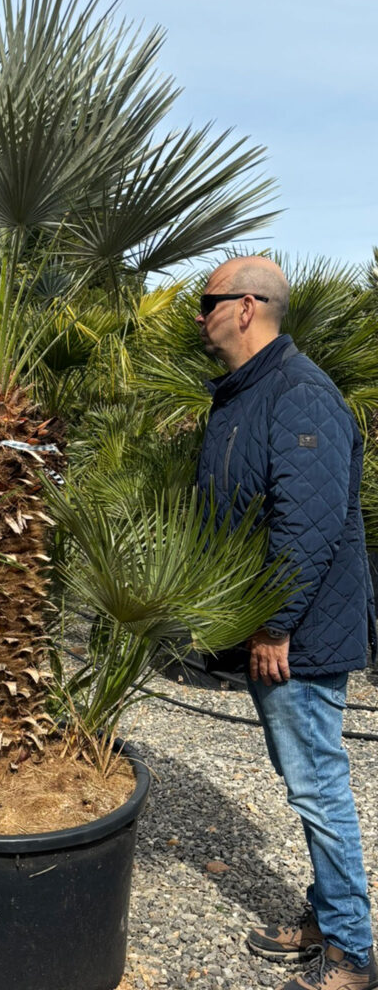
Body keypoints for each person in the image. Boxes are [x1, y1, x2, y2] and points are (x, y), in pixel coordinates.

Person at [195, 256, 377, 990]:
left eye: (205, 302)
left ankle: (353, 951)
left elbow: (308, 526)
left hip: (296, 635)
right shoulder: (248, 392)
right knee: (304, 779)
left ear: (246, 307)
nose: (197, 316)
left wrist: (275, 626)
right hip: (276, 627)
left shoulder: (299, 395)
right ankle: (329, 913)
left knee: (317, 785)